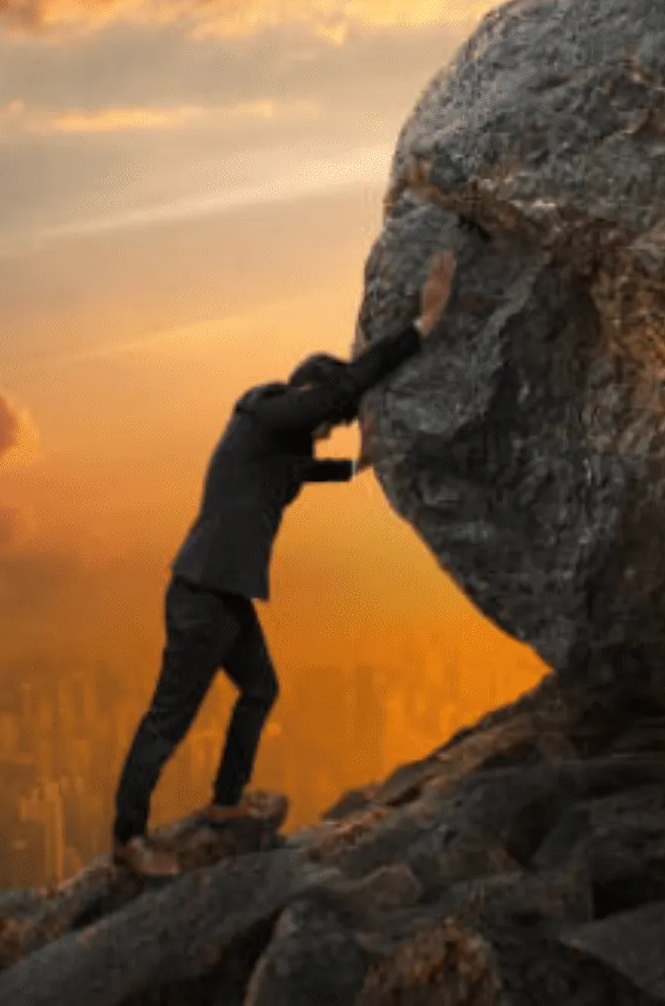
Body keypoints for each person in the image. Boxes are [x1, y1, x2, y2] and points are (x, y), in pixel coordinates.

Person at [110, 249, 459, 877]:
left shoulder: (272, 444)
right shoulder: (269, 412)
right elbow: (347, 386)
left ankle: (224, 804)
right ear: (310, 397)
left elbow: (321, 468)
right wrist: (423, 327)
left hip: (223, 594)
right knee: (169, 718)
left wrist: (360, 460)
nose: (324, 433)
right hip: (204, 594)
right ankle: (129, 840)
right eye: (325, 422)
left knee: (261, 687)